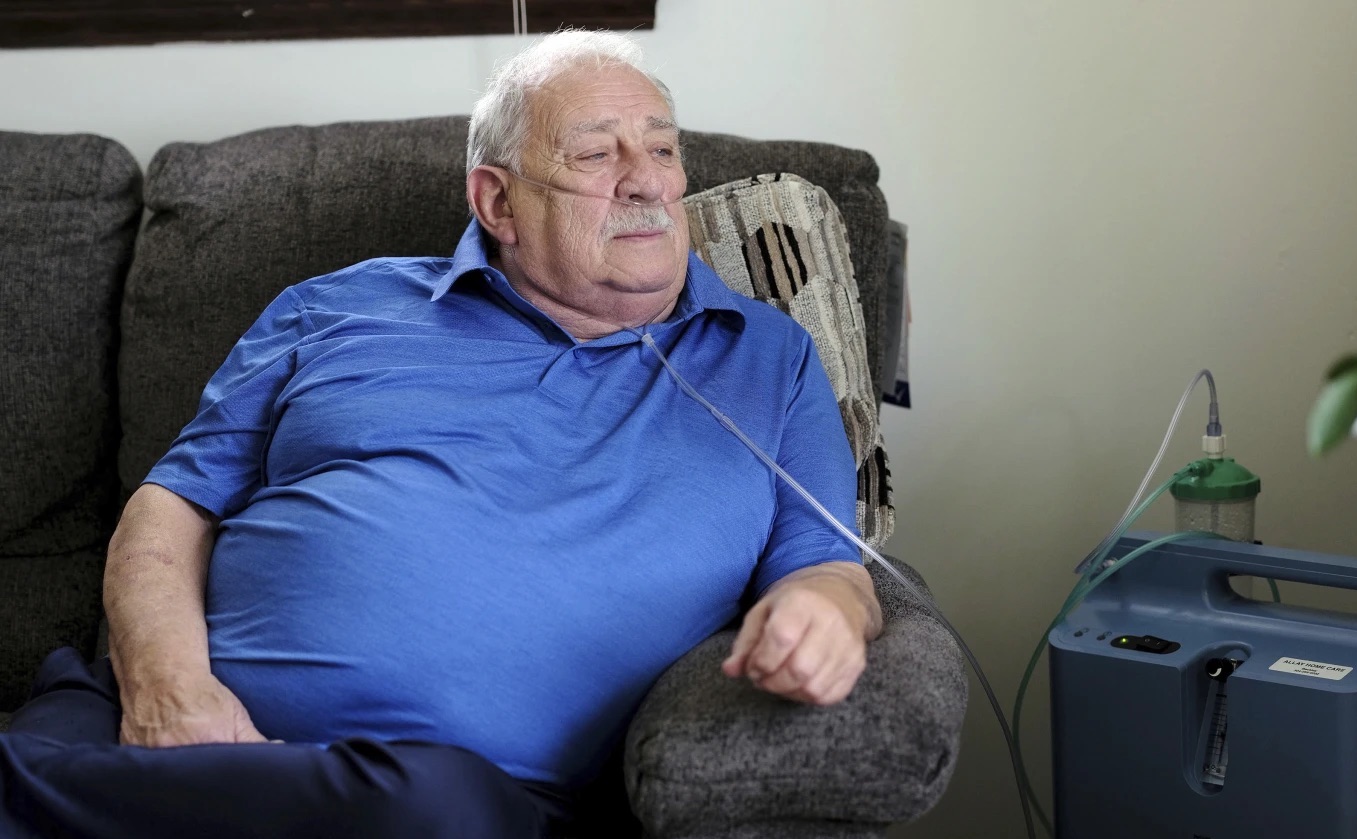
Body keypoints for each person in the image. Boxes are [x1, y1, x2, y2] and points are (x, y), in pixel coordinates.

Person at [0, 29, 881, 839]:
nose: (646, 178)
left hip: (439, 796)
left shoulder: (768, 359)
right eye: (594, 154)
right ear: (497, 201)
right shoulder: (334, 307)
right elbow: (171, 507)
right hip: (138, 717)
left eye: (660, 148)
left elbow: (835, 566)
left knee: (436, 814)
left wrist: (824, 609)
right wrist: (168, 687)